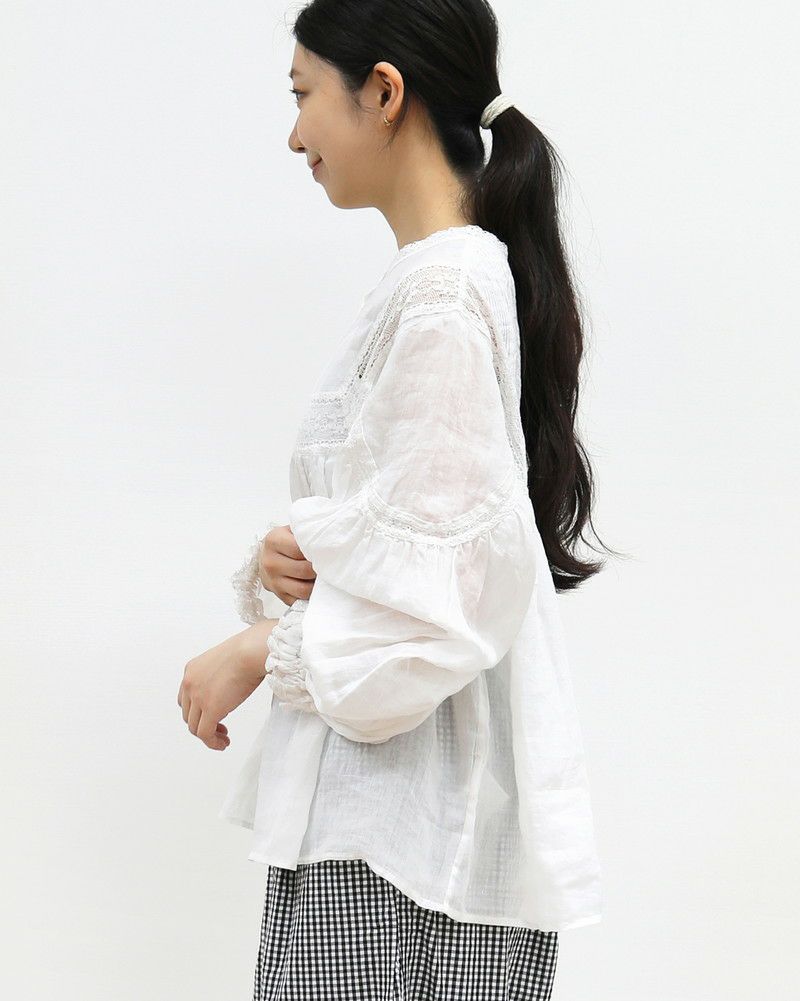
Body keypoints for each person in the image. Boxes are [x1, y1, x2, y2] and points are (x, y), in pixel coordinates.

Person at [178, 2, 618, 997]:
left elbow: (445, 607)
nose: (294, 132)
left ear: (383, 92)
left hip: (400, 850)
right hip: (389, 836)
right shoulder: (435, 284)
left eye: (303, 95)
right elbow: (423, 537)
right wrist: (299, 557)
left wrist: (262, 647)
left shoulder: (445, 296)